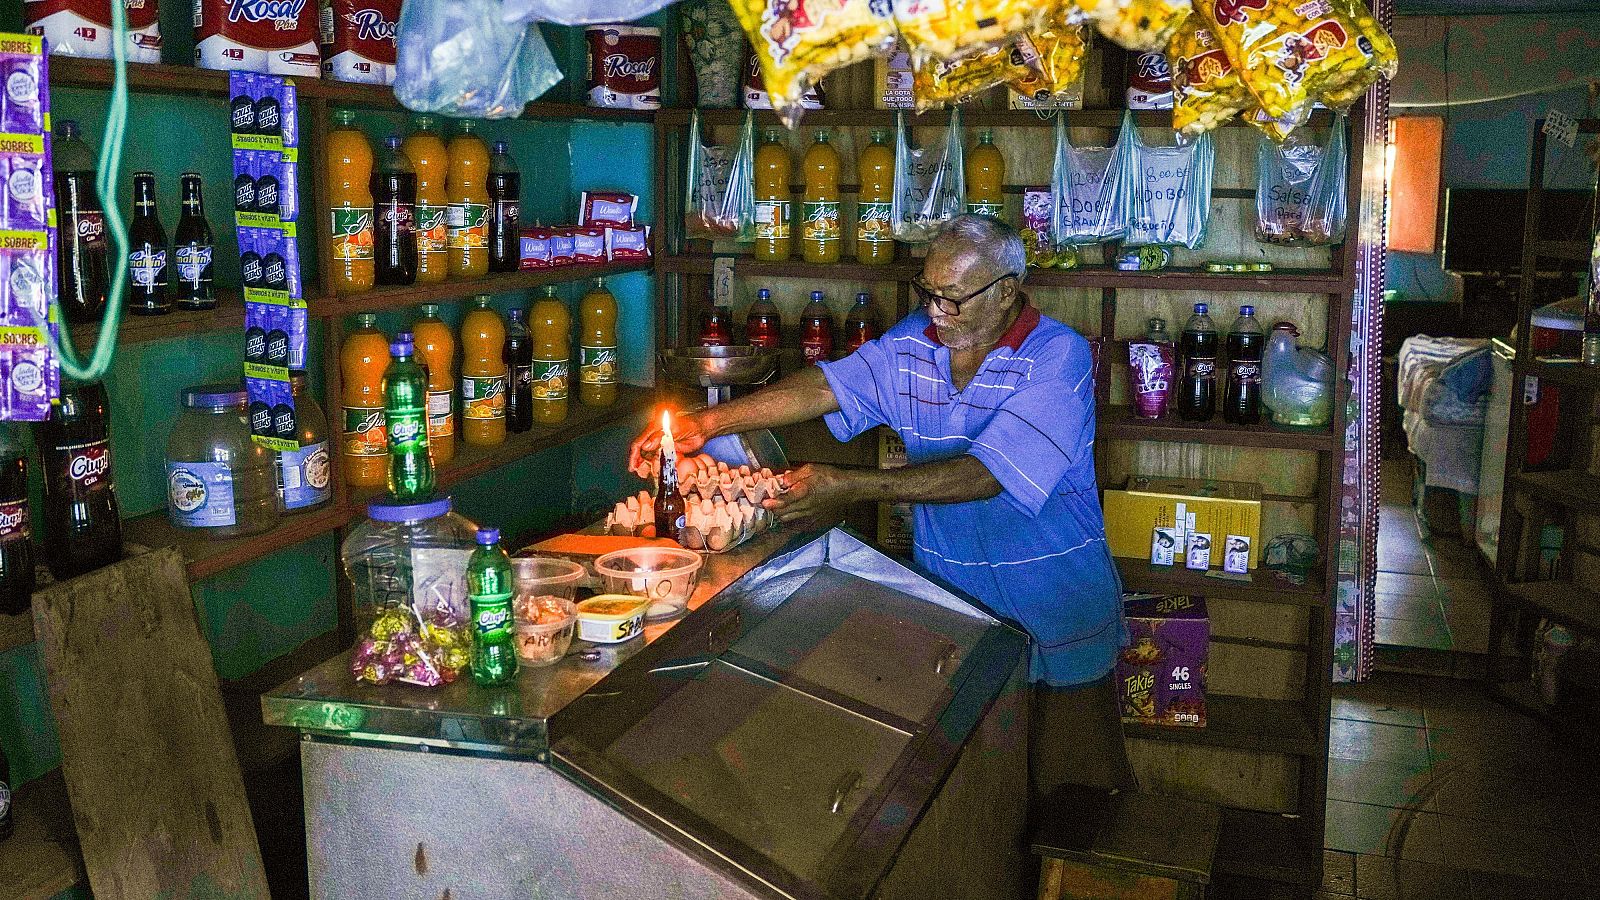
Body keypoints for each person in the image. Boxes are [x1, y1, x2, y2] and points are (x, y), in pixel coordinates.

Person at [629, 215, 1133, 797]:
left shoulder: (1059, 358)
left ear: (1005, 291)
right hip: (959, 604)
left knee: (1077, 787)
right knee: (981, 791)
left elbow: (986, 474)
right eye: (928, 293)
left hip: (1055, 603)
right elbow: (824, 387)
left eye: (953, 298)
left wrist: (849, 485)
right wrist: (706, 422)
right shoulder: (916, 343)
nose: (937, 311)